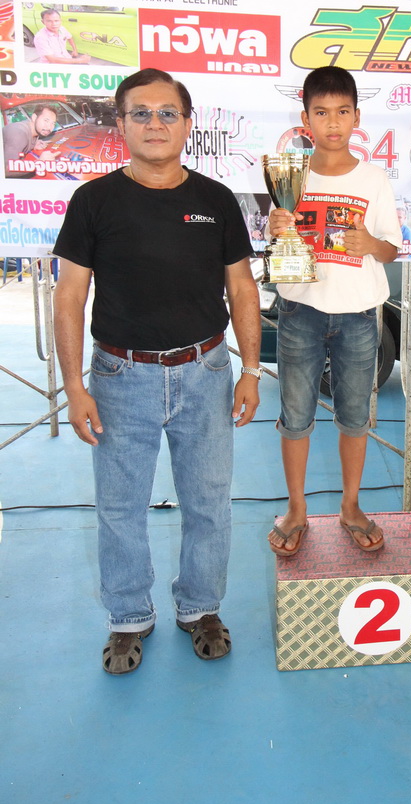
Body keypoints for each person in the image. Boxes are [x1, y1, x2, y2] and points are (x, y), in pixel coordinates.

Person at [53, 67, 261, 674]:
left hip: (206, 372)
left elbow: (242, 289)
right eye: (140, 113)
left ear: (188, 124)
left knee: (208, 504)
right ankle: (127, 617)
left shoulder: (217, 200)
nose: (155, 123)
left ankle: (201, 607)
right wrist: (74, 385)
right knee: (120, 508)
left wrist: (251, 370)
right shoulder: (93, 201)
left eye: (168, 112)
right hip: (120, 378)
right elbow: (69, 296)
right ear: (120, 125)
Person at [267, 66, 402, 556]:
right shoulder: (291, 176)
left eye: (342, 112)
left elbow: (392, 249)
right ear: (305, 120)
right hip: (299, 311)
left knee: (355, 418)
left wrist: (371, 244)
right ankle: (296, 509)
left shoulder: (374, 178)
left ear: (357, 118)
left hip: (359, 317)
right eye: (321, 113)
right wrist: (275, 227)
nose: (332, 122)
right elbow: (278, 241)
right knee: (295, 417)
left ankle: (350, 505)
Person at [2, 103, 61, 173]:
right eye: (46, 120)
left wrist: (33, 144)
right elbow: (5, 170)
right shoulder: (18, 133)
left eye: (53, 123)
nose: (49, 127)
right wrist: (40, 163)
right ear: (34, 117)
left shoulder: (34, 132)